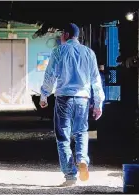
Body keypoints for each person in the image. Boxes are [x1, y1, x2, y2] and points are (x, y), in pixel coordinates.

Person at [40, 23, 105, 186]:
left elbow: (50, 75)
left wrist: (44, 95)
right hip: (83, 99)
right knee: (82, 132)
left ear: (66, 35)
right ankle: (82, 159)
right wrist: (98, 104)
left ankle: (70, 176)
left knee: (63, 137)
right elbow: (96, 80)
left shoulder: (59, 51)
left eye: (62, 34)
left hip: (64, 99)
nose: (61, 36)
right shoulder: (89, 53)